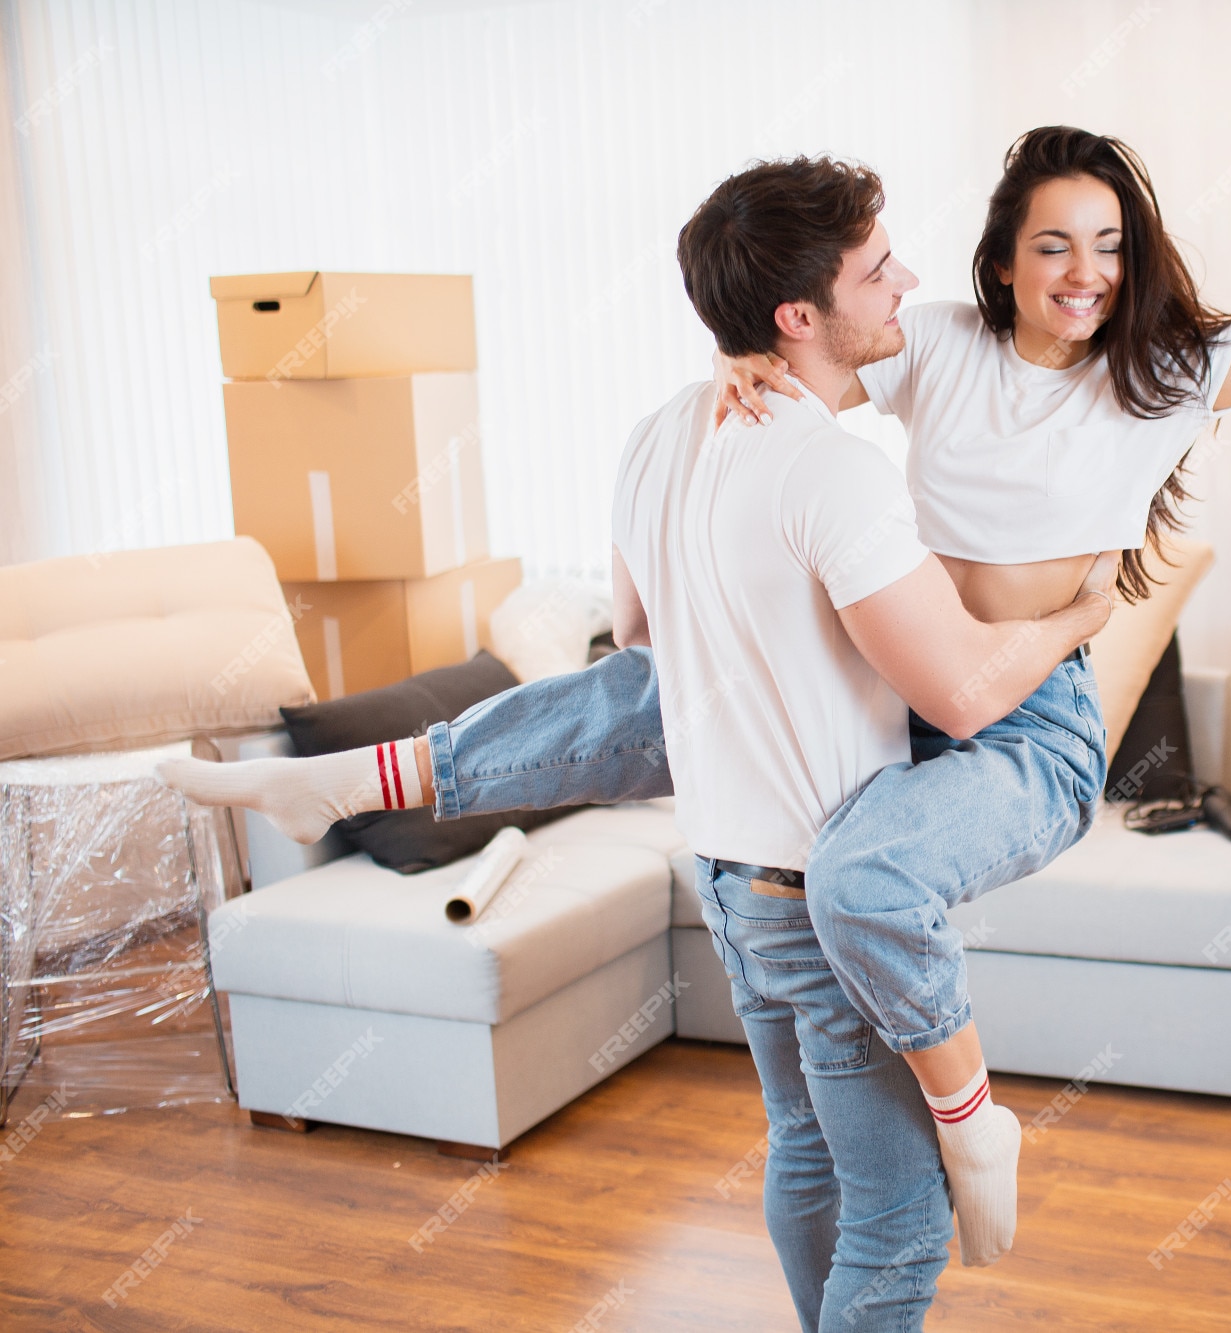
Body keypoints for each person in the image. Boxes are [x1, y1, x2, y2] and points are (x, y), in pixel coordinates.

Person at [162, 20, 1231, 1270]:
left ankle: (975, 1118)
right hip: (901, 687)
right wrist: (729, 368)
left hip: (1027, 722)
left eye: (1107, 242)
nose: (1085, 272)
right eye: (1054, 245)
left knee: (860, 877)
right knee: (657, 681)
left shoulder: (1164, 375)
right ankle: (365, 778)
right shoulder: (940, 344)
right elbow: (807, 331)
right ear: (1004, 260)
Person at [164, 157, 1114, 1330]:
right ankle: (965, 1138)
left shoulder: (662, 431)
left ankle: (370, 774)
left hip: (723, 877)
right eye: (878, 271)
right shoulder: (834, 472)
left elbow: (645, 645)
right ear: (797, 317)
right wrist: (1077, 619)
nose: (905, 287)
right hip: (809, 882)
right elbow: (966, 698)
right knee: (899, 1214)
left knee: (803, 1155)